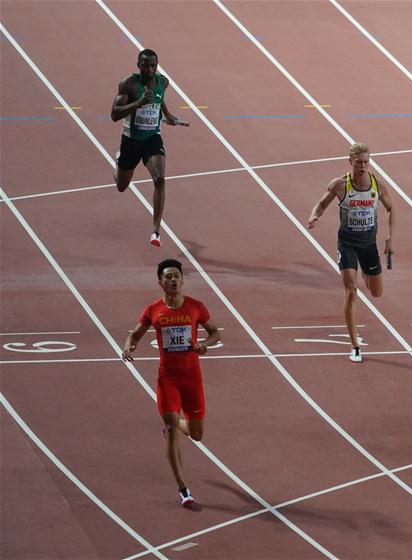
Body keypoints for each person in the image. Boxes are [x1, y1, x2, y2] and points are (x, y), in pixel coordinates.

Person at [121, 259, 220, 506]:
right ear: (160, 282)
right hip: (168, 379)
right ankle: (183, 488)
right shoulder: (153, 310)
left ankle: (177, 426)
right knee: (172, 427)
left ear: (182, 280)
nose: (173, 280)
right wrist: (129, 346)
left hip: (192, 379)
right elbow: (135, 334)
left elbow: (215, 333)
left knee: (197, 434)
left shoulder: (196, 307)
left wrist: (203, 345)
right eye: (168, 277)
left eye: (176, 276)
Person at [307, 143, 395, 363]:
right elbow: (321, 204)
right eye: (358, 162)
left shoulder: (377, 185)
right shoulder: (340, 185)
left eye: (366, 162)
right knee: (351, 291)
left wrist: (390, 238)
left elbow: (391, 208)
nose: (363, 166)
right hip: (347, 244)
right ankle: (355, 346)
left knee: (376, 292)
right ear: (350, 162)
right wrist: (314, 216)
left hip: (369, 245)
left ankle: (365, 270)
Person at [111, 49, 189, 247]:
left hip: (152, 138)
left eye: (153, 65)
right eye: (145, 65)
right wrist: (139, 102)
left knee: (160, 179)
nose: (150, 69)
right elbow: (114, 114)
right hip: (131, 140)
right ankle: (119, 161)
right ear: (139, 65)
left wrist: (168, 116)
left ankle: (156, 231)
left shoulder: (163, 82)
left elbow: (159, 99)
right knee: (121, 186)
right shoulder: (128, 84)